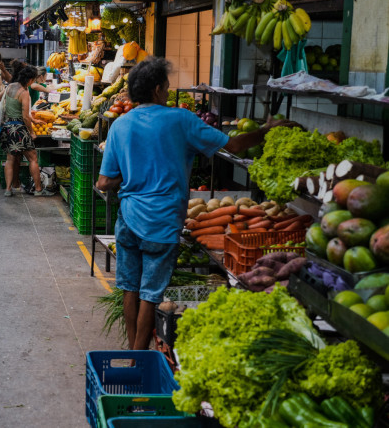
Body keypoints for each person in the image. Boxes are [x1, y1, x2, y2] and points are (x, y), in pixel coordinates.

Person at [94, 56, 299, 351]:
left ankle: (131, 351)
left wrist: (131, 177)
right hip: (162, 222)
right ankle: (139, 358)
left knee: (129, 287)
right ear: (156, 89)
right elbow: (235, 146)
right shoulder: (180, 119)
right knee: (151, 293)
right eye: (165, 86)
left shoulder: (120, 126)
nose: (168, 90)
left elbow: (104, 182)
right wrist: (266, 130)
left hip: (128, 218)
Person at [0, 64, 54, 197]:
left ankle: (8, 189)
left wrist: (34, 120)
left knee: (10, 159)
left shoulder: (10, 86)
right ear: (29, 79)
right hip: (19, 129)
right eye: (33, 79)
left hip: (8, 127)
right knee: (33, 158)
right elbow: (25, 116)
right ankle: (39, 189)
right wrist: (32, 132)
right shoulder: (24, 92)